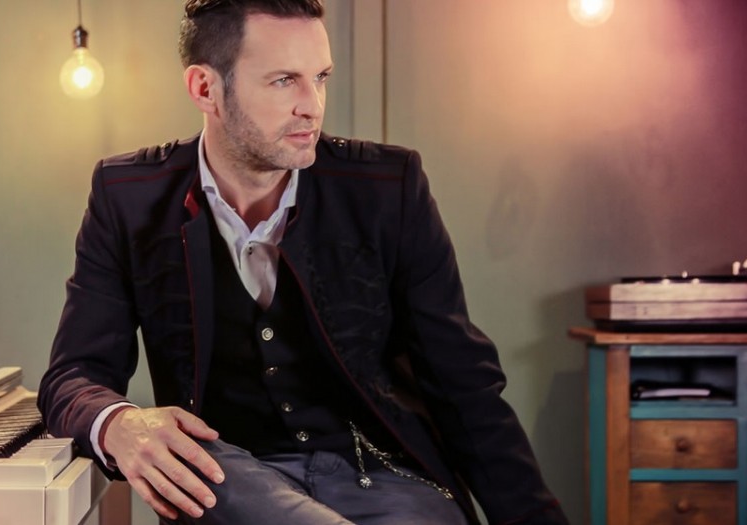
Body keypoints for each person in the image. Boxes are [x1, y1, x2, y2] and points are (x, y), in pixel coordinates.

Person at [38, 1, 569, 524]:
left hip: (385, 482)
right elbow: (71, 376)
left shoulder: (388, 188)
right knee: (208, 462)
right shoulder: (128, 196)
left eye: (320, 78)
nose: (312, 105)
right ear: (205, 88)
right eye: (284, 81)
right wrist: (118, 424)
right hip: (234, 483)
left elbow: (463, 385)